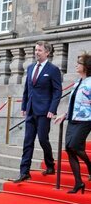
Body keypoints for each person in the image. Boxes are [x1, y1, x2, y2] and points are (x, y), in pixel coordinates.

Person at [13, 41, 62, 183]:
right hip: (30, 110)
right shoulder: (30, 68)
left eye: (40, 50)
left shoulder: (53, 69)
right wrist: (23, 106)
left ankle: (50, 165)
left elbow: (57, 91)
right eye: (36, 50)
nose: (37, 52)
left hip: (44, 111)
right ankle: (24, 172)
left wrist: (52, 109)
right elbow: (27, 89)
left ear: (47, 52)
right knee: (28, 141)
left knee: (42, 139)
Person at [55, 52, 91, 194]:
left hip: (86, 119)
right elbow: (74, 103)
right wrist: (65, 114)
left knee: (75, 146)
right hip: (73, 119)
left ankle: (89, 166)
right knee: (69, 149)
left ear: (87, 66)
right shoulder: (78, 82)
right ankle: (78, 183)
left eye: (79, 63)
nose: (76, 65)